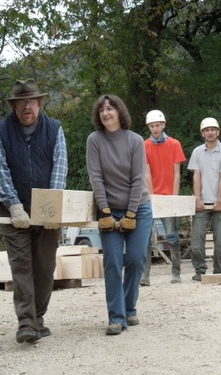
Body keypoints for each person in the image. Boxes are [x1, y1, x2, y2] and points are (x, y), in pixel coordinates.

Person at [0, 78, 68, 343]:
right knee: (21, 264)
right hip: (13, 211)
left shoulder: (55, 129)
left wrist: (53, 208)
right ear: (14, 106)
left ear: (40, 103)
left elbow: (60, 169)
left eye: (31, 102)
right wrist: (14, 205)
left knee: (45, 265)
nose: (27, 108)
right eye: (21, 103)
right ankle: (26, 322)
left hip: (46, 209)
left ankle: (38, 318)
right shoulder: (0, 132)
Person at [86, 94, 153, 335]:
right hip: (109, 210)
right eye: (102, 110)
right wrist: (104, 212)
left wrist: (132, 213)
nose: (106, 113)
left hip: (139, 208)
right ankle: (116, 317)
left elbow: (138, 179)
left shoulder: (135, 140)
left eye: (110, 108)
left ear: (119, 112)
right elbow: (96, 178)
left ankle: (129, 307)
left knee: (135, 260)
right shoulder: (94, 140)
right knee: (113, 262)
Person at [140, 110, 186, 285]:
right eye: (152, 126)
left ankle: (176, 273)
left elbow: (176, 173)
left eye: (157, 125)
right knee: (145, 237)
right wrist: (152, 196)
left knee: (172, 236)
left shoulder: (174, 144)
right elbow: (146, 172)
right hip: (150, 197)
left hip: (169, 196)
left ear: (163, 124)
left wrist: (173, 198)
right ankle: (145, 276)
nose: (155, 129)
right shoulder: (144, 145)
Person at [187, 117, 221, 281]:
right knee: (196, 242)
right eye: (207, 130)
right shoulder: (197, 152)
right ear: (202, 133)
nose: (210, 132)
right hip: (202, 202)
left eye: (213, 129)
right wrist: (198, 199)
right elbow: (196, 176)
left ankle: (218, 271)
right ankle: (200, 270)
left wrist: (219, 200)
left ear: (218, 132)